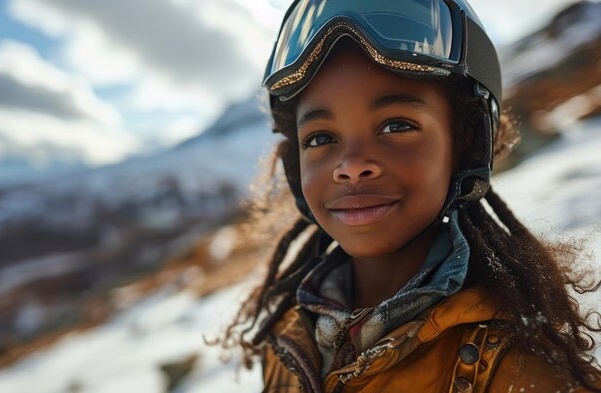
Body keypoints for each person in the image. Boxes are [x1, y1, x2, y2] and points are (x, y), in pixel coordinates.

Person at [220, 1, 601, 392]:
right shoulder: (288, 340)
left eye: (395, 125)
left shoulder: (517, 373)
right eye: (320, 138)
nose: (350, 166)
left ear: (467, 142)